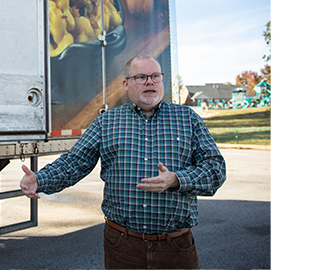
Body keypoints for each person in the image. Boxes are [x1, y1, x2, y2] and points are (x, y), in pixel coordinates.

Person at [20, 55, 226, 269]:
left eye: (155, 76)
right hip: (123, 245)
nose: (150, 81)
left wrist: (176, 179)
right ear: (126, 84)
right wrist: (40, 179)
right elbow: (74, 163)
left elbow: (215, 169)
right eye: (141, 77)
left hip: (175, 247)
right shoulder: (106, 122)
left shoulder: (188, 119)